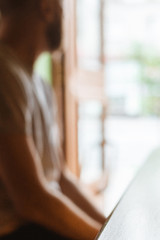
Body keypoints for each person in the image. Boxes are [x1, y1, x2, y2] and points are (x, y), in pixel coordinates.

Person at [0, 0, 106, 239]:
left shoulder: (39, 84)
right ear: (46, 7)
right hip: (20, 230)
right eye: (63, 9)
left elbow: (61, 176)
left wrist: (111, 226)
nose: (66, 20)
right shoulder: (4, 75)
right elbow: (31, 201)